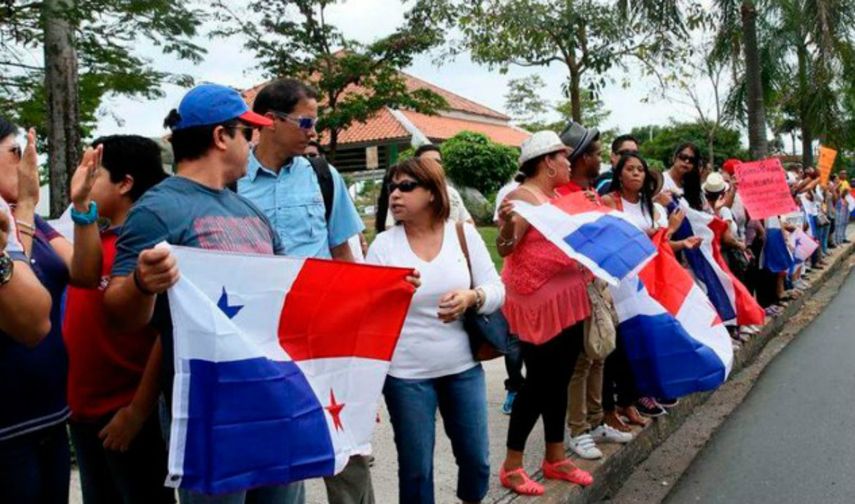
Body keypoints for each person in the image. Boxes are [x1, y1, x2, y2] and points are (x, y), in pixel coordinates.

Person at [102, 83, 307, 504]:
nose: (254, 143)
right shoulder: (158, 210)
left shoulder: (250, 213)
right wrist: (142, 284)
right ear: (220, 137)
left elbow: (291, 294)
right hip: (207, 415)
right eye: (247, 133)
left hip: (270, 402)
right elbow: (120, 315)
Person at [239, 78, 374, 502]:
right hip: (258, 337)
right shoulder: (231, 182)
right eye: (305, 121)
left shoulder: (323, 176)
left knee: (344, 443)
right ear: (270, 122)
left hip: (321, 333)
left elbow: (343, 255)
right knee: (274, 445)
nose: (313, 131)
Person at [367, 157, 502, 504]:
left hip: (462, 368)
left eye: (406, 186)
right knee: (415, 470)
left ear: (431, 192)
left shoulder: (462, 234)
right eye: (391, 187)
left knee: (477, 460)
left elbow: (497, 289)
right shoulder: (384, 245)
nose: (395, 195)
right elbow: (368, 309)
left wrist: (472, 296)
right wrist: (391, 293)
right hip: (406, 374)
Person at [63, 135, 173, 504]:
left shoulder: (148, 249)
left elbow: (165, 334)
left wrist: (138, 412)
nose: (83, 179)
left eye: (94, 173)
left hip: (125, 414)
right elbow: (85, 277)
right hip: (83, 412)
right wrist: (82, 207)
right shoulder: (94, 239)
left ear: (125, 183)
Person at [0, 118, 105, 503]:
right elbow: (28, 316)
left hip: (48, 414)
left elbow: (85, 273)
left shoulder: (33, 222)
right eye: (16, 152)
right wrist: (25, 206)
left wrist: (82, 209)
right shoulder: (17, 216)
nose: (28, 164)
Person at [496, 131, 594, 496]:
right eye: (564, 157)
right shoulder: (521, 198)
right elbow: (507, 248)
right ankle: (512, 465)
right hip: (538, 302)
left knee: (561, 378)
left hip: (567, 297)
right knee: (538, 382)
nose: (570, 163)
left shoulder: (556, 198)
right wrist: (507, 226)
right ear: (548, 162)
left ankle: (555, 455)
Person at [600, 153, 693, 424]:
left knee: (641, 340)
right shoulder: (609, 203)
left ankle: (633, 399)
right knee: (619, 346)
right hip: (619, 283)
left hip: (645, 285)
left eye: (640, 169)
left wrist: (674, 234)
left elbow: (660, 246)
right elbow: (608, 240)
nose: (637, 174)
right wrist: (647, 236)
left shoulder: (650, 209)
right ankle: (618, 405)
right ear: (619, 174)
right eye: (630, 169)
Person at [557, 121, 632, 458]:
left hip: (598, 283)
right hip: (576, 287)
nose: (601, 160)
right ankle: (577, 429)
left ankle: (596, 418)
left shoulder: (588, 195)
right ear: (580, 157)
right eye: (596, 154)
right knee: (581, 361)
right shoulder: (560, 196)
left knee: (600, 353)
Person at [379, 144, 474, 231]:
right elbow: (390, 227)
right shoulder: (404, 195)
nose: (434, 167)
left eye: (438, 162)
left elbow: (468, 222)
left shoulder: (452, 192)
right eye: (428, 163)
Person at [663, 143, 704, 211]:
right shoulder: (661, 181)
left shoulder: (693, 187)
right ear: (674, 158)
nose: (687, 161)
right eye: (683, 157)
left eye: (691, 160)